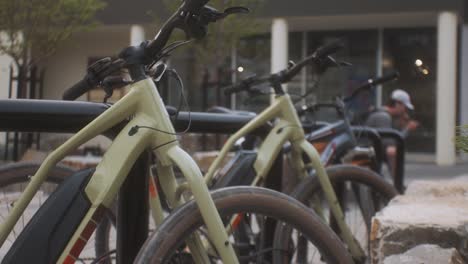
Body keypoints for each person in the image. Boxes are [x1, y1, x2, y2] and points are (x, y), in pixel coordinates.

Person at [365, 89, 419, 177]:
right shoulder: (383, 116)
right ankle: (396, 185)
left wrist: (402, 124)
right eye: (405, 108)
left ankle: (395, 184)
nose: (405, 111)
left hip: (373, 151)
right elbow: (390, 144)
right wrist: (407, 129)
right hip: (367, 151)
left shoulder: (387, 115)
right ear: (398, 104)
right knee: (392, 152)